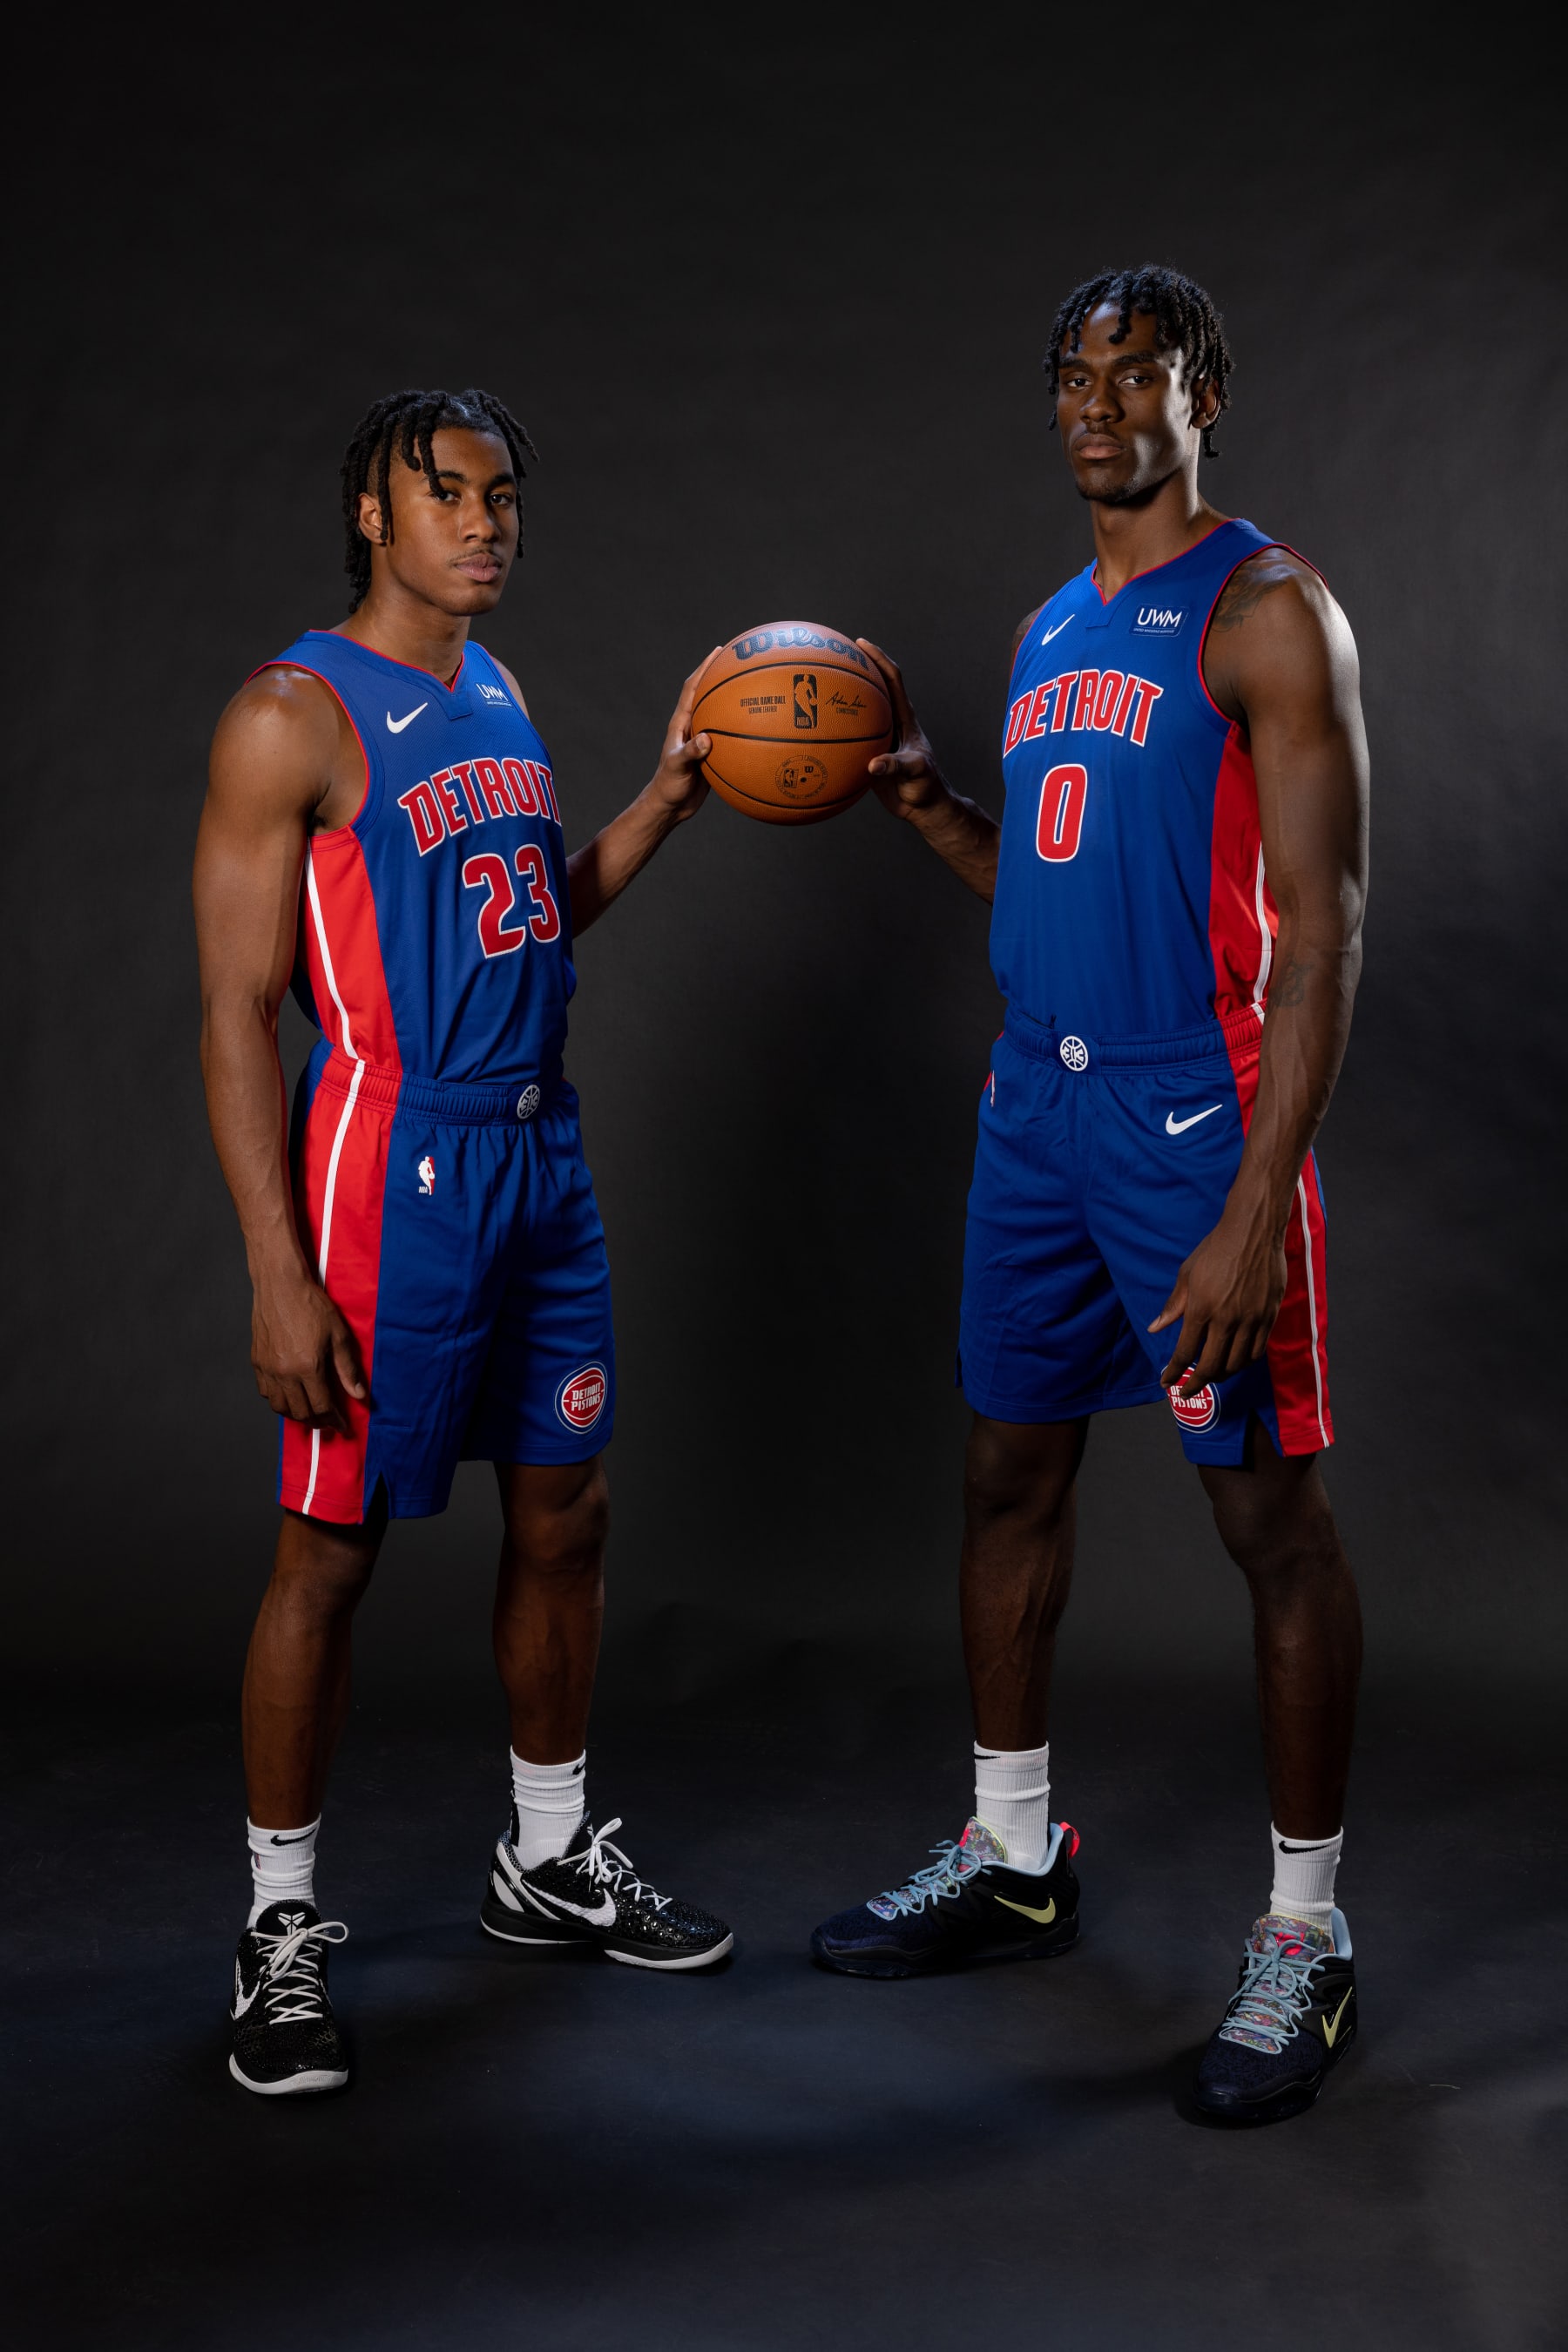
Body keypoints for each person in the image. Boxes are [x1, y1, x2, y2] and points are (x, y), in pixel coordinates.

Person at [811, 268, 1369, 2126]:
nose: (1100, 401)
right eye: (1075, 372)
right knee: (1006, 1472)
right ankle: (1014, 1853)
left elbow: (1322, 936)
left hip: (1194, 1114)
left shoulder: (1269, 614)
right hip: (1033, 1106)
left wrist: (1254, 1207)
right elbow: (1065, 881)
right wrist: (932, 812)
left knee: (1266, 1516)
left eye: (1140, 370)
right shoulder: (1052, 625)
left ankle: (1307, 1935)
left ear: (1208, 391)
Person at [195, 388, 731, 2098]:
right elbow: (237, 1012)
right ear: (373, 513)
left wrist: (662, 803)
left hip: (539, 1155)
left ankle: (546, 1856)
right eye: (447, 494)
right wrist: (276, 1268)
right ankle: (279, 1925)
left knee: (565, 1511)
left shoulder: (494, 691)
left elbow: (532, 919)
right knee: (331, 1550)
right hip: (391, 1168)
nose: (486, 522)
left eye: (504, 497)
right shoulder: (290, 715)